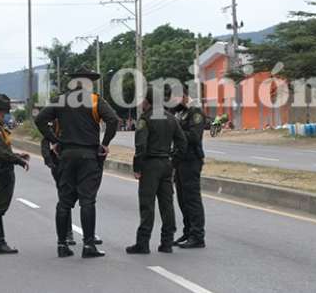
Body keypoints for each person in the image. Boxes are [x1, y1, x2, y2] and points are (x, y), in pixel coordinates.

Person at [35, 67, 119, 259]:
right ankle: (88, 245)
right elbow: (113, 120)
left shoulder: (61, 99)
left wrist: (54, 140)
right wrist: (104, 144)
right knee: (87, 201)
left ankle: (62, 245)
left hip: (66, 155)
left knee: (64, 201)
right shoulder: (95, 100)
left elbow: (40, 119)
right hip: (89, 156)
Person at [126, 87, 187, 255]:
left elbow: (141, 146)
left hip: (150, 165)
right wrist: (173, 161)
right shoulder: (171, 118)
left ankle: (143, 243)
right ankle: (167, 242)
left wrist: (138, 167)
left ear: (147, 101)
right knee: (167, 204)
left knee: (147, 205)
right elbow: (182, 143)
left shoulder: (145, 119)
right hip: (166, 164)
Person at [0, 94, 30, 254]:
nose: (6, 115)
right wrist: (19, 161)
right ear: (0, 112)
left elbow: (4, 150)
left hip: (0, 170)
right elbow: (2, 153)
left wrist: (18, 155)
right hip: (0, 172)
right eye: (6, 112)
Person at [171, 88, 207, 249]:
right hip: (179, 159)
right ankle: (188, 231)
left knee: (192, 199)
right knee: (182, 199)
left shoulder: (195, 112)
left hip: (191, 160)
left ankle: (197, 235)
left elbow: (194, 136)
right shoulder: (180, 113)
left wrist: (176, 131)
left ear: (184, 97)